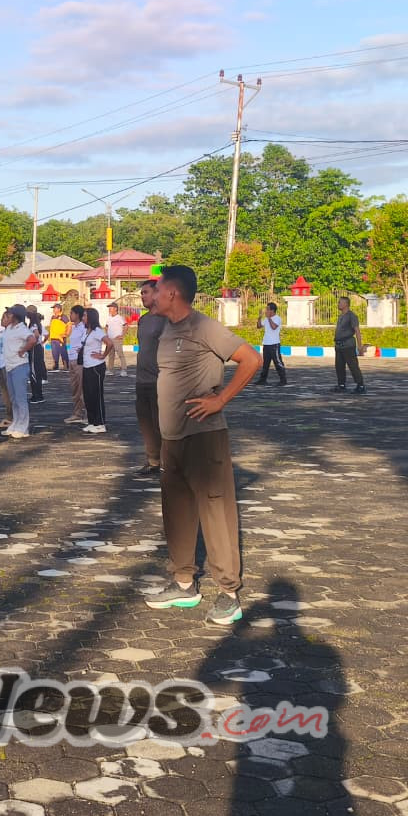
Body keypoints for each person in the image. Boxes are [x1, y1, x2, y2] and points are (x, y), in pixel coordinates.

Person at [143, 265, 262, 625]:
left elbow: (251, 359)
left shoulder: (203, 326)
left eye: (158, 286)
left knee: (216, 513)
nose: (153, 292)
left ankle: (228, 593)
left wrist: (220, 400)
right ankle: (183, 584)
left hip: (204, 436)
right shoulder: (167, 329)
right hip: (173, 438)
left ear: (172, 293)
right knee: (176, 512)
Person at [135, 278, 166, 474]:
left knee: (160, 424)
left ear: (156, 294)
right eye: (142, 293)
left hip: (159, 380)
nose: (142, 297)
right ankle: (153, 460)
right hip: (142, 379)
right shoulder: (143, 320)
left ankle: (167, 462)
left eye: (145, 292)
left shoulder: (165, 320)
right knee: (146, 423)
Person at [2, 305, 34, 439]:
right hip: (9, 366)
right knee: (13, 398)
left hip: (19, 366)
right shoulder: (9, 328)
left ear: (16, 316)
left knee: (20, 398)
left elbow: (32, 339)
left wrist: (23, 350)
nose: (7, 316)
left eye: (10, 314)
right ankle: (16, 423)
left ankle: (23, 427)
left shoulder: (22, 329)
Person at [79, 308, 113, 433]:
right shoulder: (86, 331)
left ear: (91, 317)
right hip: (87, 366)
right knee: (88, 396)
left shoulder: (97, 331)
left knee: (96, 395)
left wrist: (103, 355)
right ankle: (92, 421)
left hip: (96, 367)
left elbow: (109, 343)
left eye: (85, 316)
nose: (83, 318)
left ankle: (100, 423)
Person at [332, 297, 365, 394]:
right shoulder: (341, 316)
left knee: (353, 366)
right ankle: (341, 384)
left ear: (346, 304)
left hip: (348, 344)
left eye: (340, 302)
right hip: (339, 345)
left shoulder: (351, 316)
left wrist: (360, 346)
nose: (338, 304)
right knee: (339, 366)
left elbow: (357, 331)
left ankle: (360, 385)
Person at [255, 302, 288, 386]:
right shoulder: (266, 319)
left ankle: (283, 380)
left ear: (272, 310)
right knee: (265, 363)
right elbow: (259, 326)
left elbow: (274, 327)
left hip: (274, 344)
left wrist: (269, 318)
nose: (266, 311)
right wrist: (259, 317)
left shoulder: (277, 318)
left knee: (278, 362)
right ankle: (263, 379)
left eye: (267, 309)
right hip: (266, 343)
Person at [65, 305, 87, 424]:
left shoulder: (84, 327)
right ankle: (77, 413)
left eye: (72, 313)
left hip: (80, 361)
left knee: (82, 388)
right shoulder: (74, 327)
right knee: (75, 388)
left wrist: (82, 350)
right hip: (72, 360)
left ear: (77, 314)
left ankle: (87, 414)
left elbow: (86, 342)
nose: (70, 315)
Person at [26, 310, 46, 403]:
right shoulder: (38, 324)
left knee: (34, 373)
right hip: (38, 349)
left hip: (34, 349)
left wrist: (33, 343)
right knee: (37, 373)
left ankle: (36, 395)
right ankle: (39, 394)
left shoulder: (33, 325)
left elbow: (36, 334)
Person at [105, 302, 129, 377]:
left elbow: (126, 326)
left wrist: (122, 335)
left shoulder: (120, 318)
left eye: (111, 307)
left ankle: (124, 370)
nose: (109, 309)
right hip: (110, 339)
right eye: (109, 308)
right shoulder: (109, 318)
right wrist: (107, 335)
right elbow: (106, 327)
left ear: (115, 309)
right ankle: (110, 370)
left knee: (120, 354)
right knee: (111, 355)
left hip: (117, 339)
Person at [48, 305, 69, 370]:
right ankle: (56, 364)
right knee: (54, 352)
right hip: (53, 337)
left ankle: (66, 365)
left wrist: (66, 334)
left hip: (60, 338)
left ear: (59, 309)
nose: (53, 310)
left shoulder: (63, 316)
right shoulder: (53, 317)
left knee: (63, 351)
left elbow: (68, 325)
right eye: (53, 308)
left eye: (55, 308)